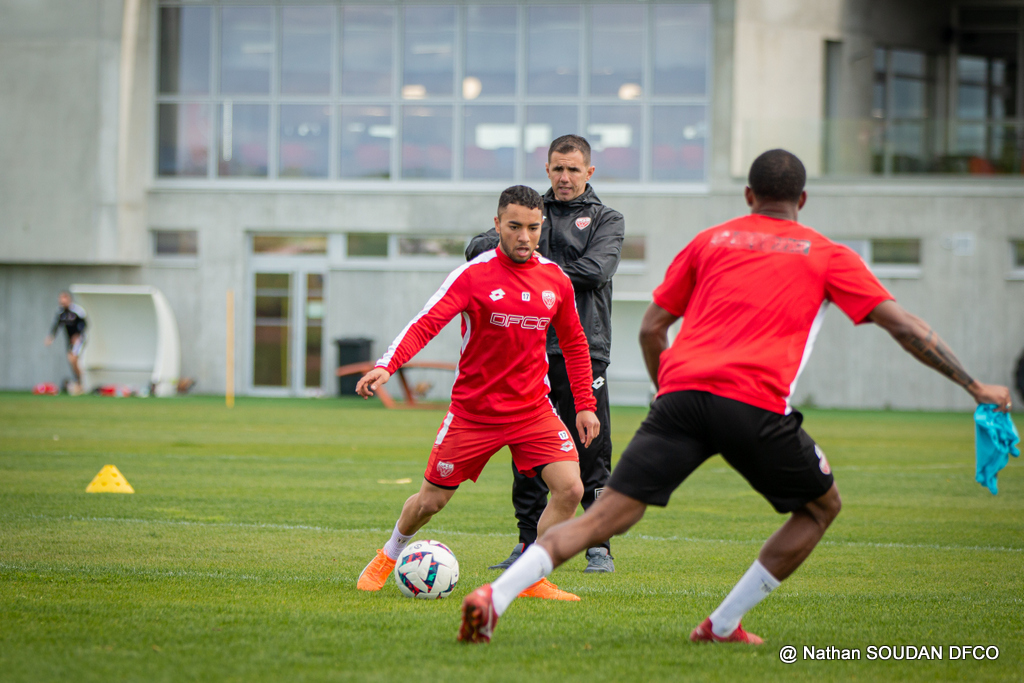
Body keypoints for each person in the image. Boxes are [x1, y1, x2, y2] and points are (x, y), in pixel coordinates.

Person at [457, 149, 1012, 644]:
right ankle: (722, 624)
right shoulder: (827, 254)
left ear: (748, 195)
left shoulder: (711, 240)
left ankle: (496, 596)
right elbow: (906, 328)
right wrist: (975, 385)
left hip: (680, 399)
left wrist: (663, 392)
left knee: (608, 515)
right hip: (754, 404)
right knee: (821, 507)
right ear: (802, 199)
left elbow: (652, 328)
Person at [355, 185, 601, 601]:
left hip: (532, 410)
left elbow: (576, 343)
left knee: (571, 489)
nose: (525, 236)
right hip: (474, 413)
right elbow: (426, 323)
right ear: (497, 224)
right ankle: (389, 554)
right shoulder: (473, 275)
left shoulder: (555, 280)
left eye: (533, 228)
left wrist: (585, 406)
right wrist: (386, 365)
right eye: (515, 226)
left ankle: (530, 577)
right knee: (430, 502)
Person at [466, 135, 624, 573]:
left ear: (589, 172)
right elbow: (475, 248)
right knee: (527, 453)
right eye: (557, 168)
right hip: (527, 350)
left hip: (583, 351)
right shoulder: (532, 213)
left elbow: (595, 271)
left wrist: (530, 265)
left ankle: (598, 545)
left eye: (573, 169)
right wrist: (516, 244)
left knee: (592, 449)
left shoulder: (606, 219)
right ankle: (526, 543)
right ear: (547, 169)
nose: (565, 177)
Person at [44, 291, 88, 393]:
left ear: (69, 299)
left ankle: (80, 382)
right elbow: (57, 325)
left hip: (79, 339)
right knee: (71, 360)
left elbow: (84, 324)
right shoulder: (61, 312)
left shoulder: (77, 311)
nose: (62, 301)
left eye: (64, 299)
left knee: (73, 358)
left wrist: (77, 335)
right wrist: (51, 337)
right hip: (69, 340)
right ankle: (79, 381)